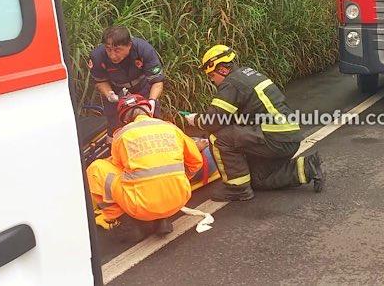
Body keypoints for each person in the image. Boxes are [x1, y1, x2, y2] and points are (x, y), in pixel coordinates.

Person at [184, 44, 324, 201]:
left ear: (222, 69)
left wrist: (194, 119)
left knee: (218, 137)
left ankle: (237, 189)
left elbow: (213, 121)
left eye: (211, 76)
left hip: (274, 138)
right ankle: (309, 167)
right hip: (287, 137)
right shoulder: (248, 75)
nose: (212, 81)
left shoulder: (231, 83)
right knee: (259, 178)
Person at [86, 94, 206, 243]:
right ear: (149, 111)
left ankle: (122, 221)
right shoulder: (170, 128)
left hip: (142, 207)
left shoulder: (122, 135)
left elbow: (119, 166)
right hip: (179, 199)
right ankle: (162, 218)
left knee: (97, 169)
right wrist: (177, 180)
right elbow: (196, 161)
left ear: (124, 120)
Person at [89, 26, 165, 135]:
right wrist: (109, 95)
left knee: (152, 124)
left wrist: (152, 101)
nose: (112, 55)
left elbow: (157, 82)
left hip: (143, 88)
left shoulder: (143, 50)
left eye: (117, 50)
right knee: (116, 128)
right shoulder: (97, 56)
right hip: (116, 92)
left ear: (129, 45)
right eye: (108, 49)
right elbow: (100, 81)